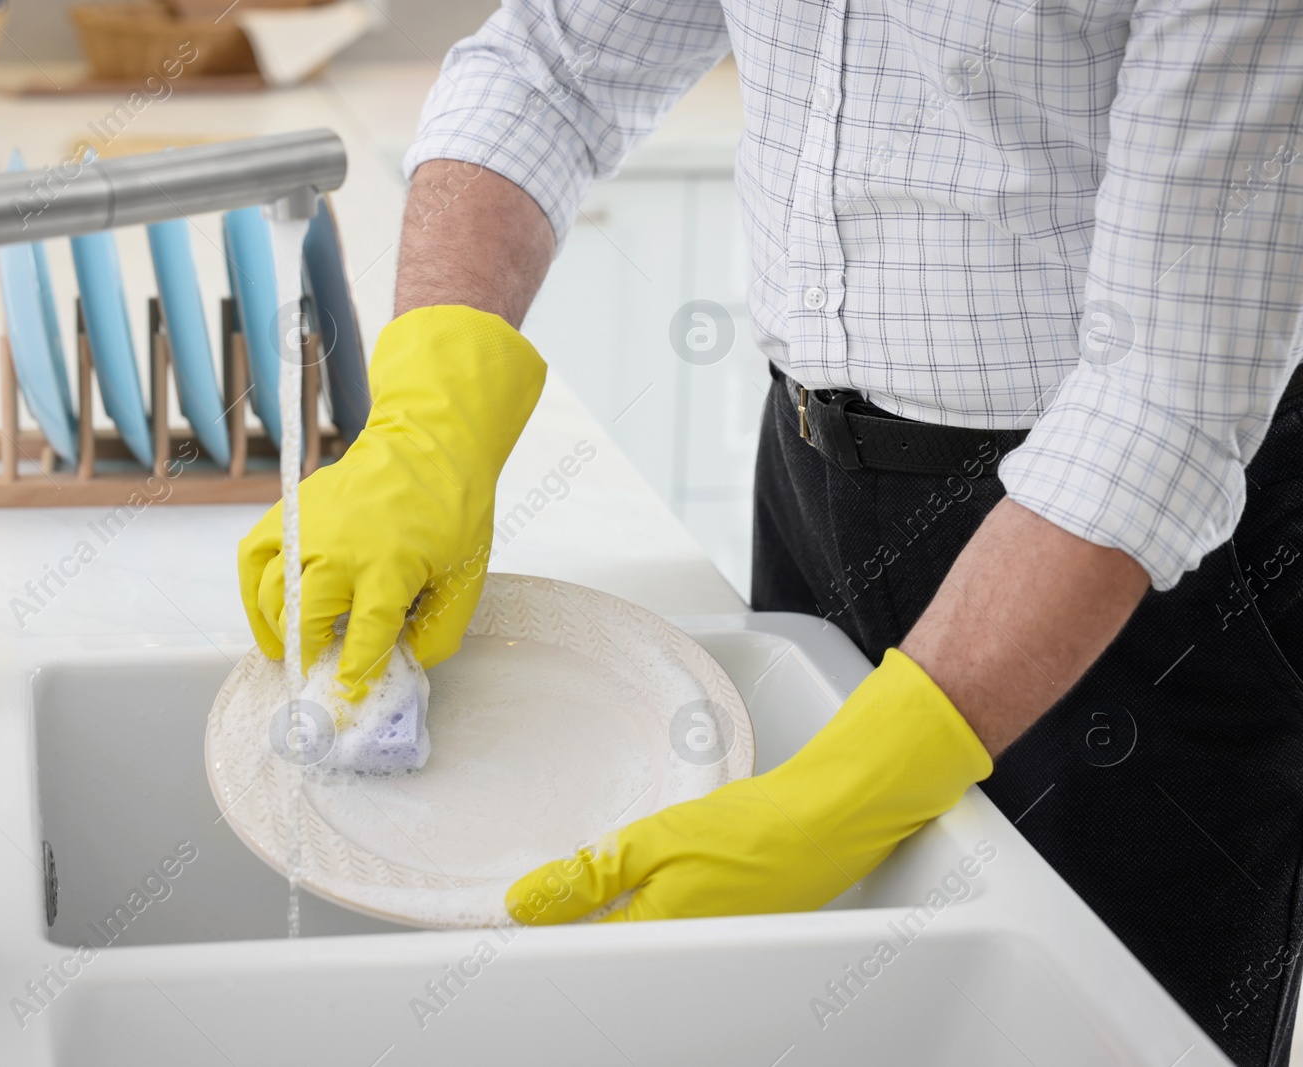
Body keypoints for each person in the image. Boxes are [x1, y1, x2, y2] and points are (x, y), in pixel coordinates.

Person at [238, 2, 1303, 1062]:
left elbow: (1164, 394)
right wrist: (432, 409)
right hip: (813, 482)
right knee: (821, 1024)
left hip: (1132, 578)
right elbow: (551, 68)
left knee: (1090, 1033)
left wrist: (848, 792)